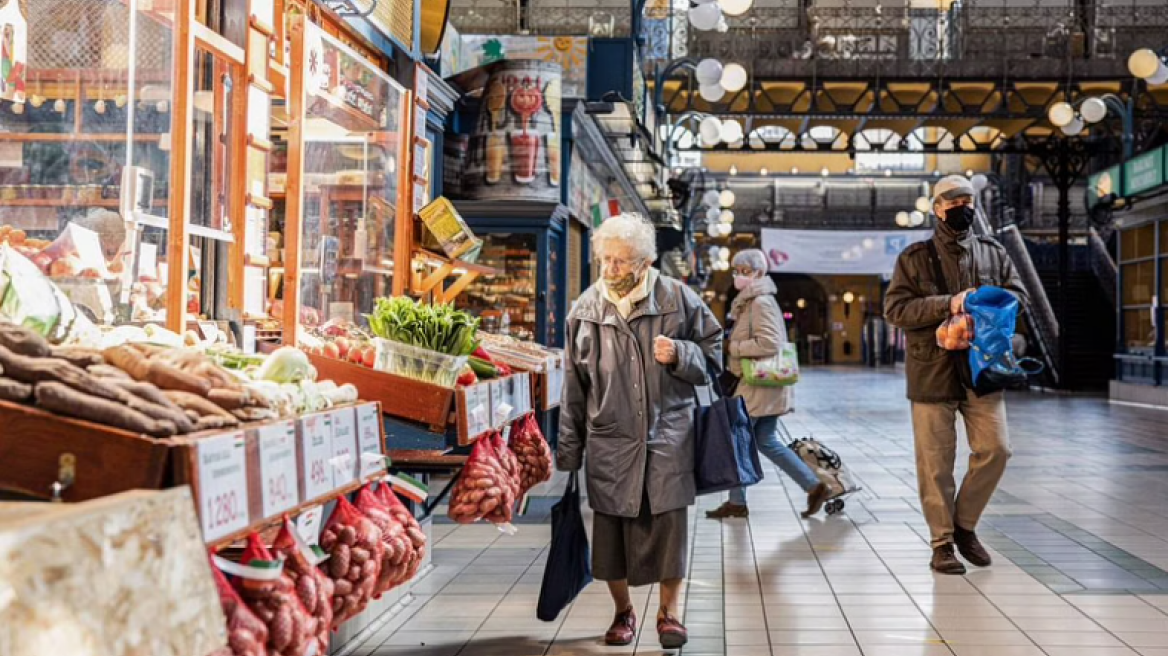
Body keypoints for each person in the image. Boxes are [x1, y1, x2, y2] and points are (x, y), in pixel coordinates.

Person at [557, 213, 722, 650]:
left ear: (646, 262)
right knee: (610, 532)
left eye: (622, 262)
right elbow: (574, 387)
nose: (611, 270)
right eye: (605, 260)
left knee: (669, 525)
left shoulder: (679, 299)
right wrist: (568, 452)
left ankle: (670, 614)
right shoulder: (586, 309)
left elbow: (716, 355)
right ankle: (622, 611)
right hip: (609, 439)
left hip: (669, 435)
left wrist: (683, 354)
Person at [884, 175, 1028, 575]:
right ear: (937, 208)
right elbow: (896, 310)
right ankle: (942, 543)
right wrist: (948, 304)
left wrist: (988, 305)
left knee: (997, 450)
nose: (962, 207)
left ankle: (964, 526)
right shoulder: (914, 258)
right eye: (953, 201)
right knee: (936, 462)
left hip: (984, 368)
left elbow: (1020, 296)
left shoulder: (992, 252)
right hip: (932, 371)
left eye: (968, 200)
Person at [705, 249, 830, 520]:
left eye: (744, 271)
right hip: (761, 387)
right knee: (766, 440)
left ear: (759, 273)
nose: (738, 275)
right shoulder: (750, 302)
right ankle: (813, 486)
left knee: (737, 441)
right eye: (736, 270)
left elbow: (770, 343)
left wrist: (732, 347)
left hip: (757, 387)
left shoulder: (760, 303)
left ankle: (737, 503)